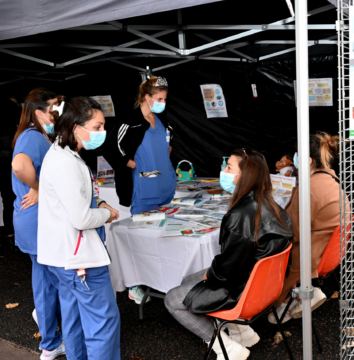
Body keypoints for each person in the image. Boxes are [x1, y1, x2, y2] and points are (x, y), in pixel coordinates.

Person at [164, 149, 293, 360]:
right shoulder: (269, 203)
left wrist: (210, 274)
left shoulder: (241, 215)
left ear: (246, 175)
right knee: (189, 279)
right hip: (264, 287)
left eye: (229, 167)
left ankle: (228, 349)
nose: (223, 170)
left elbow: (227, 271)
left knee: (171, 299)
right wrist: (212, 273)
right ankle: (241, 332)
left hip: (242, 290)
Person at [37, 97, 121, 360]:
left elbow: (77, 199)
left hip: (66, 260)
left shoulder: (63, 154)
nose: (101, 133)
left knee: (74, 321)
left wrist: (100, 202)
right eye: (96, 127)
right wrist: (107, 213)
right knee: (103, 325)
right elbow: (82, 218)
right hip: (79, 261)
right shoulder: (66, 162)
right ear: (75, 127)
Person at [103, 76, 176, 304]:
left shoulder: (162, 121)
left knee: (162, 238)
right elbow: (111, 148)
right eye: (159, 98)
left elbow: (169, 142)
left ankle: (159, 279)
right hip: (143, 190)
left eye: (164, 98)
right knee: (140, 239)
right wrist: (130, 163)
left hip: (165, 189)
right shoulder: (130, 122)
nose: (163, 102)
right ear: (147, 97)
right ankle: (135, 284)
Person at [268, 132, 347, 324]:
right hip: (328, 251)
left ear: (308, 160)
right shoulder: (331, 179)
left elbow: (291, 232)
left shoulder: (310, 187)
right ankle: (298, 295)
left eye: (296, 154)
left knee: (260, 253)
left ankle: (285, 299)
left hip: (308, 255)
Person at [11, 88, 65, 359]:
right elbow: (19, 166)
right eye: (55, 106)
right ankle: (51, 339)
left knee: (46, 280)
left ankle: (49, 335)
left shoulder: (39, 135)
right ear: (39, 112)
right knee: (53, 280)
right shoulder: (32, 137)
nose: (59, 111)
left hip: (37, 222)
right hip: (38, 223)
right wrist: (38, 185)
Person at [0, 97, 21, 242]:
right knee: (9, 198)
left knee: (7, 198)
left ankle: (9, 231)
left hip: (5, 162)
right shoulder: (15, 130)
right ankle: (10, 231)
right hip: (9, 164)